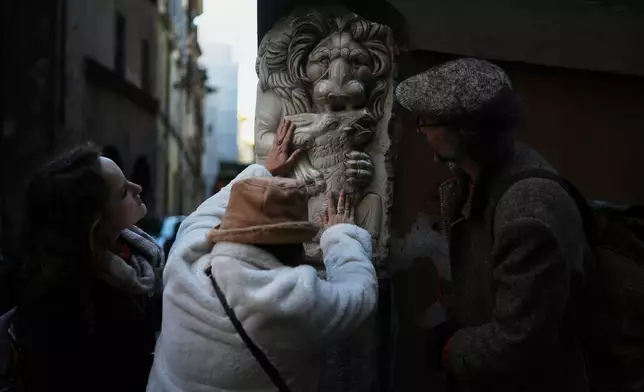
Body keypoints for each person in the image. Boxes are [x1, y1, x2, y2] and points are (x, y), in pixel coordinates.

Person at [395, 58, 589, 391]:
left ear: (462, 134)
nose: (420, 130)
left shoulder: (527, 212)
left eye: (426, 121)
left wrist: (449, 350)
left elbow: (520, 340)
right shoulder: (484, 170)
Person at [147, 120, 378, 391]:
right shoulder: (294, 297)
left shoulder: (184, 264)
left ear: (229, 229)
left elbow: (200, 218)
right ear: (297, 248)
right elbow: (360, 294)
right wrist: (340, 236)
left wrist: (262, 174)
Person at [13, 143, 164, 392]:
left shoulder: (135, 260)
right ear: (96, 223)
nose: (138, 189)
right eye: (123, 192)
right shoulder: (62, 303)